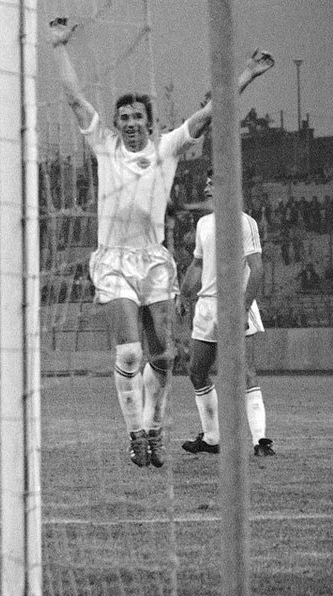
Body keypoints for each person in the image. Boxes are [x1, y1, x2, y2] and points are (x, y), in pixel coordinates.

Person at [49, 17, 273, 467]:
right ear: (115, 124)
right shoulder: (106, 147)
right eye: (124, 118)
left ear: (151, 125)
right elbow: (74, 99)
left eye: (138, 118)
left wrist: (246, 75)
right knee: (130, 351)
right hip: (113, 260)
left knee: (165, 356)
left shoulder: (166, 148)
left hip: (153, 261)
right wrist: (58, 47)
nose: (131, 124)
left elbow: (211, 111)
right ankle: (136, 434)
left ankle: (153, 428)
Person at [179, 171, 274, 457]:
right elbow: (197, 265)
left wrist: (244, 307)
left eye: (213, 182)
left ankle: (261, 441)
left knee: (244, 373)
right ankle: (211, 438)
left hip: (233, 303)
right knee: (197, 371)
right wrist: (184, 294)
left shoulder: (245, 222)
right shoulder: (204, 224)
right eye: (206, 182)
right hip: (206, 305)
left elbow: (256, 268)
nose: (207, 187)